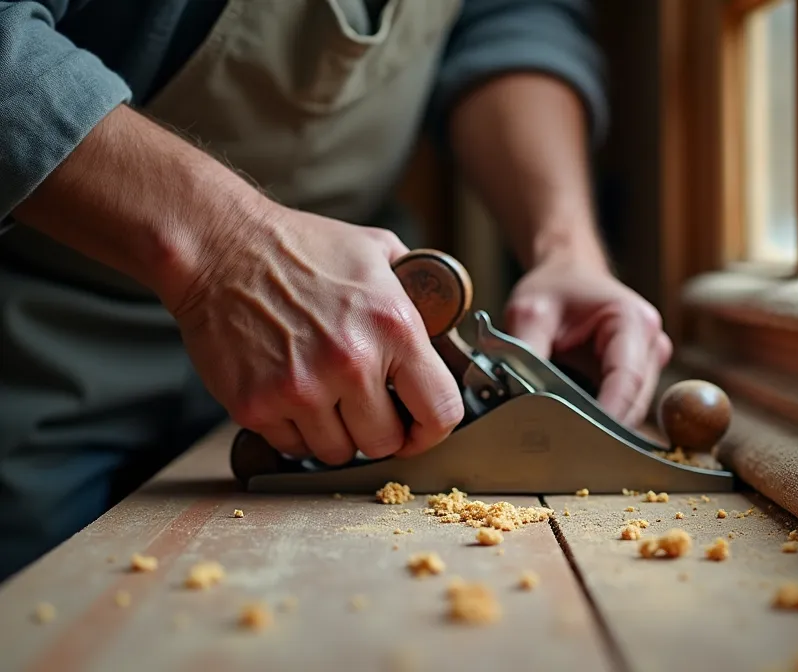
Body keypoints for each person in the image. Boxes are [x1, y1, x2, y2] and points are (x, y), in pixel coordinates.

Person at [0, 0, 672, 580]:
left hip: (351, 351)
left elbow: (507, 17)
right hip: (37, 331)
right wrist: (227, 247)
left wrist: (564, 246)